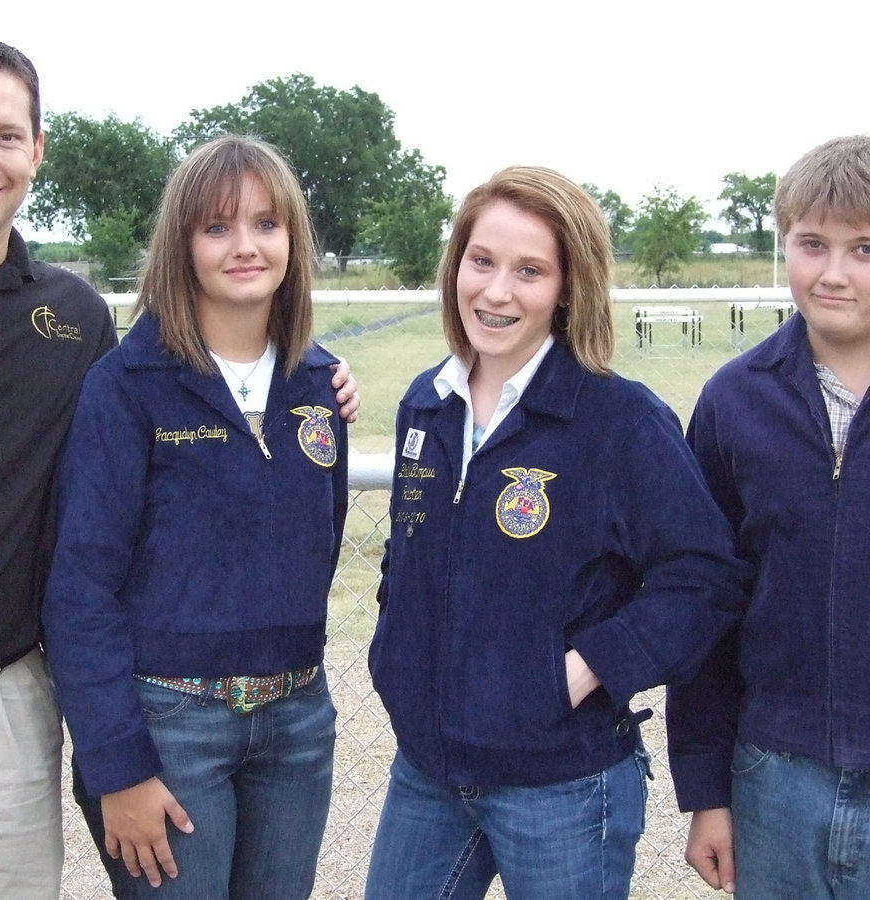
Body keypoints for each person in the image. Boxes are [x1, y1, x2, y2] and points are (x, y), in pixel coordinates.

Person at [0, 39, 359, 898]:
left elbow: (207, 426)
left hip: (7, 711)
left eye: (7, 136)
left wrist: (322, 378)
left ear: (37, 150)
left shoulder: (72, 317)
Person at [364, 166, 748, 899]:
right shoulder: (427, 403)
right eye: (482, 262)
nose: (497, 291)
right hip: (430, 771)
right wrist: (401, 651)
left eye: (530, 271)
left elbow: (704, 578)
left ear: (568, 287)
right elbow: (411, 554)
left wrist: (578, 670)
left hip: (562, 782)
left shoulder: (619, 421)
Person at [667, 134, 870, 898]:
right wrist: (708, 789)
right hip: (773, 783)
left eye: (865, 248)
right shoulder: (735, 400)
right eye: (811, 245)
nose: (832, 274)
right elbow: (706, 602)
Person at [42, 135, 349, 899]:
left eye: (266, 225)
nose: (245, 246)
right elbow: (81, 589)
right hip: (168, 724)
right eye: (217, 228)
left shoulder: (318, 386)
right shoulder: (126, 386)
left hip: (298, 722)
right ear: (182, 244)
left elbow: (321, 540)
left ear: (293, 239)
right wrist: (120, 767)